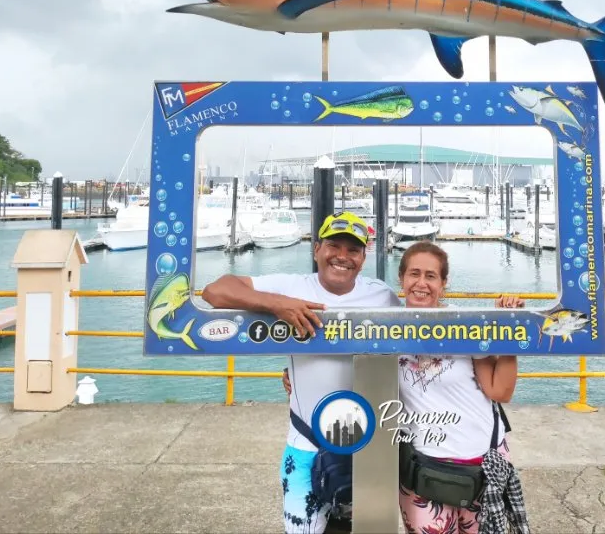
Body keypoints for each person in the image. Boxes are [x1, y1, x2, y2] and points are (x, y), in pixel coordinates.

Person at [283, 240, 531, 534]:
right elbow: (345, 363)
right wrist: (295, 376)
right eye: (414, 274)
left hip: (482, 466)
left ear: (443, 283)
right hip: (421, 470)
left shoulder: (465, 325)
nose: (421, 284)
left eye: (431, 276)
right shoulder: (384, 329)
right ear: (401, 280)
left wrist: (512, 332)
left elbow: (499, 391)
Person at [202, 210, 401, 534]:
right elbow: (216, 291)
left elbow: (412, 345)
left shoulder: (382, 296)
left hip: (368, 444)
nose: (342, 256)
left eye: (353, 250)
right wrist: (276, 304)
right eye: (334, 245)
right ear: (316, 249)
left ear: (364, 257)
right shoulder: (290, 286)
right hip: (306, 441)